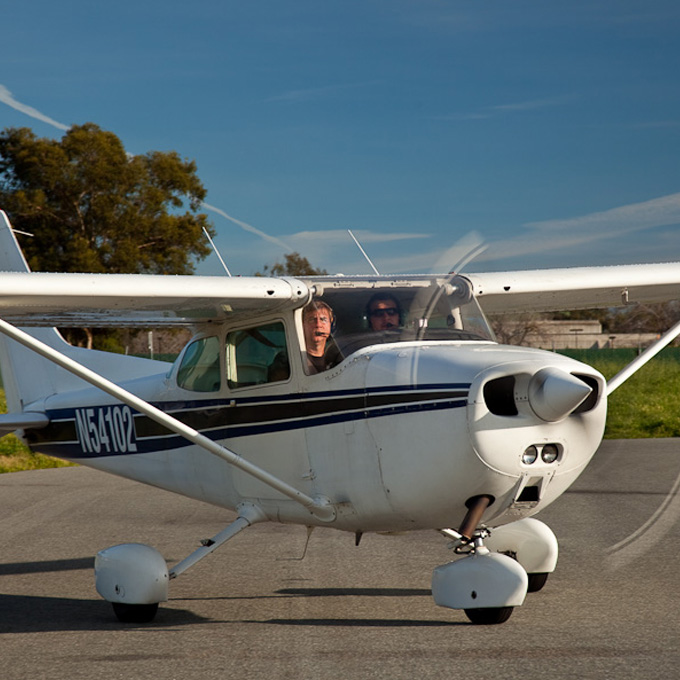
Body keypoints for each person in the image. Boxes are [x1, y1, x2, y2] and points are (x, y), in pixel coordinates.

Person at [302, 301, 342, 374]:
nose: (318, 324)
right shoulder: (291, 360)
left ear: (331, 325)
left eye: (323, 320)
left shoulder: (339, 359)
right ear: (302, 325)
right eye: (311, 320)